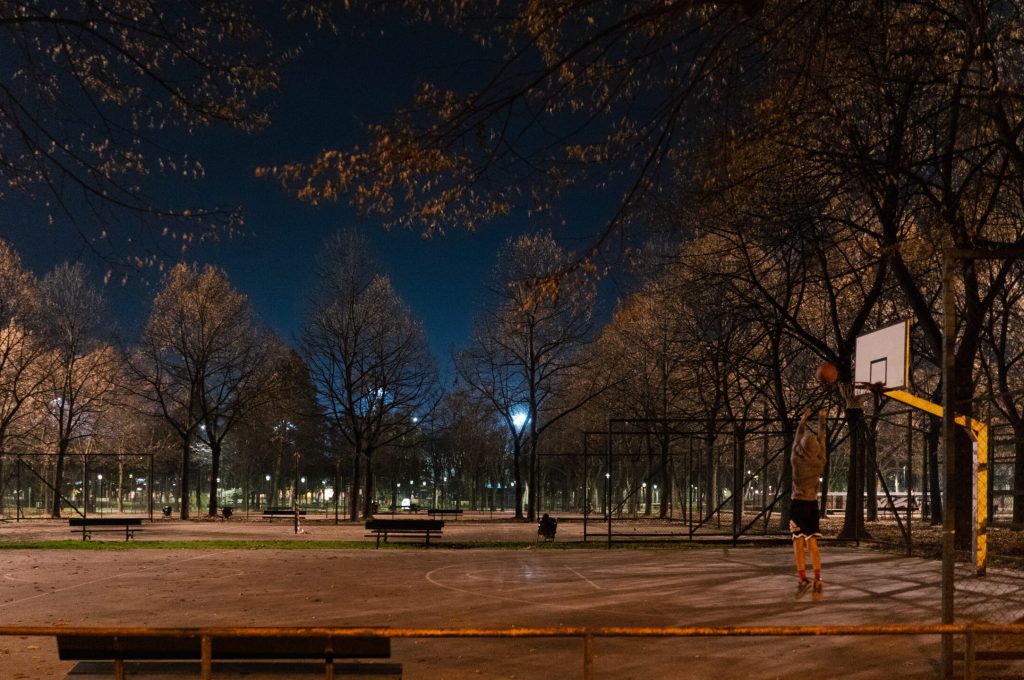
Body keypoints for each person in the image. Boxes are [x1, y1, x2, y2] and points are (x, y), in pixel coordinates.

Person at [791, 409, 826, 598]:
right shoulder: (820, 462)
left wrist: (803, 420)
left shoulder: (796, 460)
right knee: (812, 543)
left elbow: (797, 438)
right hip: (812, 504)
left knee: (797, 541)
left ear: (801, 449)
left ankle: (803, 577)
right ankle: (818, 577)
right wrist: (822, 420)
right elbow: (823, 441)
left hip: (797, 504)